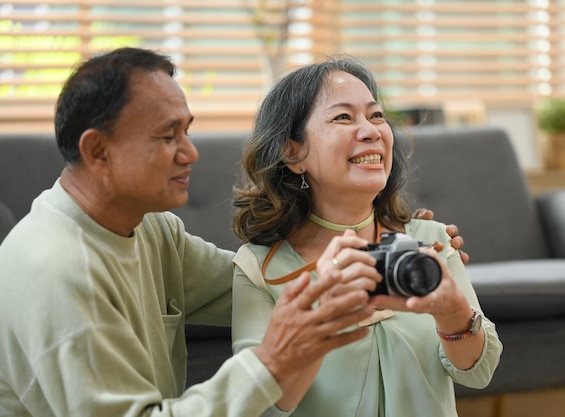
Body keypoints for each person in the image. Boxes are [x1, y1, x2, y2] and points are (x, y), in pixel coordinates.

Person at [0, 47, 381, 417]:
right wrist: (271, 362)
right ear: (98, 151)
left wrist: (389, 253)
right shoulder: (57, 270)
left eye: (187, 131)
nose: (190, 153)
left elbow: (257, 283)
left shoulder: (150, 226)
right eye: (169, 137)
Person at [231, 55, 503, 416]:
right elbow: (255, 405)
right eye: (343, 117)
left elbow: (479, 371)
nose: (372, 130)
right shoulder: (260, 268)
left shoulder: (430, 240)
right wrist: (326, 316)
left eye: (376, 115)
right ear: (292, 151)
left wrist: (451, 310)